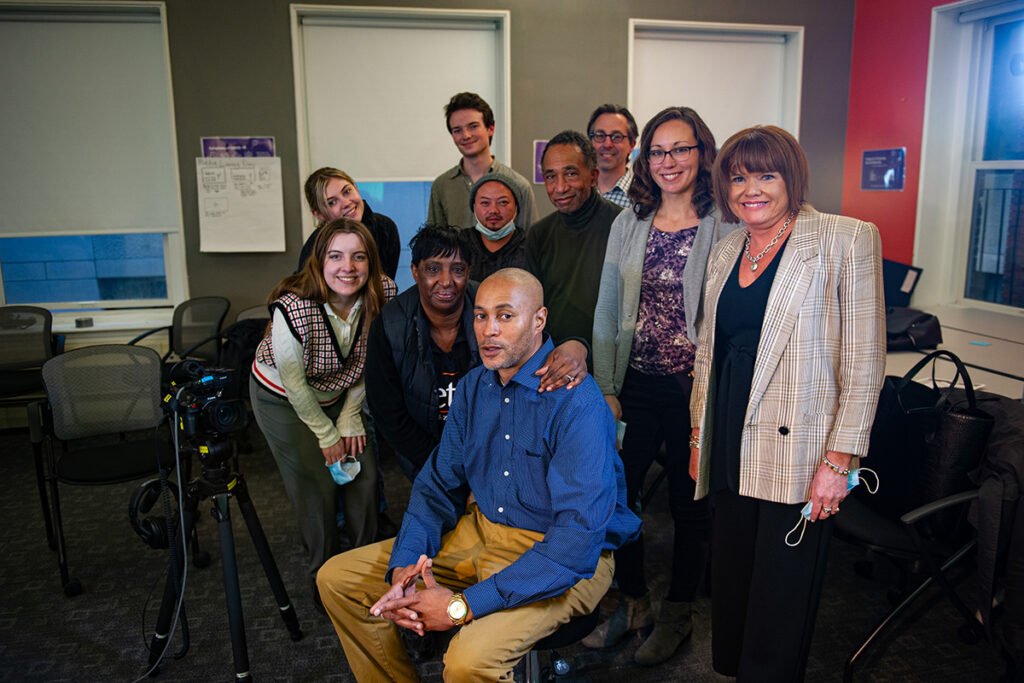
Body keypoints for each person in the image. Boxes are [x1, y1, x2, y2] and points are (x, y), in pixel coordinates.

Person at [317, 268, 641, 682]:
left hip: (563, 554)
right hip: (482, 531)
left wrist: (459, 606)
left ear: (539, 321)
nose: (489, 330)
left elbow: (575, 541)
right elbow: (436, 484)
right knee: (338, 580)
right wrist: (404, 566)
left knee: (470, 661)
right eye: (481, 316)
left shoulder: (577, 402)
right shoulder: (474, 389)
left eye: (506, 316)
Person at [689, 125, 885, 680]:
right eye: (738, 176)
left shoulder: (845, 239)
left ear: (791, 178)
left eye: (766, 175)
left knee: (780, 598)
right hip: (728, 434)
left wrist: (838, 464)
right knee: (733, 582)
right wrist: (698, 441)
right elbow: (709, 354)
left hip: (800, 451)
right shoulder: (727, 248)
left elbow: (865, 365)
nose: (750, 189)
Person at [589, 106, 740, 664]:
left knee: (688, 502)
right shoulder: (629, 218)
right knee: (615, 494)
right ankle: (633, 602)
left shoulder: (726, 220)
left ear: (703, 153)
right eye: (656, 151)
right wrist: (606, 385)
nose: (668, 161)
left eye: (680, 149)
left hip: (693, 389)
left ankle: (678, 612)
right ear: (642, 159)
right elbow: (607, 309)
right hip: (634, 382)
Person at [366, 225, 589, 483]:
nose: (446, 280)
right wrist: (442, 464)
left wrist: (577, 345)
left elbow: (534, 340)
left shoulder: (490, 301)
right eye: (433, 269)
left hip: (492, 452)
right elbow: (387, 410)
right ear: (415, 272)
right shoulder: (390, 324)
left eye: (458, 269)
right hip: (421, 455)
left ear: (468, 271)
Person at [250, 218, 397, 604]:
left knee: (363, 475)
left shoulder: (383, 293)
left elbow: (373, 360)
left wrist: (350, 416)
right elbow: (295, 385)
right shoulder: (294, 305)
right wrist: (327, 434)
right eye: (336, 256)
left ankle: (363, 566)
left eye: (358, 257)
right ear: (319, 261)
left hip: (343, 391)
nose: (347, 267)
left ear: (371, 262)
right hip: (282, 397)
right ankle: (324, 575)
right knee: (318, 484)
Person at [526, 130, 623, 348]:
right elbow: (532, 310)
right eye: (551, 176)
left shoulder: (623, 226)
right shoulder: (539, 234)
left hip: (611, 363)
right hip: (553, 362)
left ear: (593, 176)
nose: (560, 187)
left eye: (570, 174)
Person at [427, 92, 537, 230]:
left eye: (473, 126)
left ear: (490, 129)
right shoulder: (441, 186)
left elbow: (530, 245)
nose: (466, 135)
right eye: (457, 130)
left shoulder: (519, 185)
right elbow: (433, 244)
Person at [299, 167, 401, 279]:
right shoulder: (314, 246)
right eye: (332, 202)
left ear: (356, 188)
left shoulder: (385, 228)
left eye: (347, 191)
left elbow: (385, 287)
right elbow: (304, 290)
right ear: (319, 214)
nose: (346, 203)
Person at [460, 171, 529, 281]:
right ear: (474, 207)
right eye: (485, 203)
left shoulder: (532, 246)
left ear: (516, 207)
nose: (493, 210)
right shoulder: (459, 243)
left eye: (503, 202)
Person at [586, 104, 639, 209]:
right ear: (590, 142)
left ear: (632, 145)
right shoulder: (578, 192)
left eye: (616, 137)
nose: (607, 144)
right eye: (600, 136)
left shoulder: (645, 198)